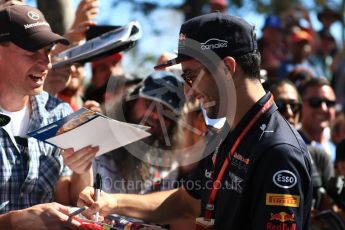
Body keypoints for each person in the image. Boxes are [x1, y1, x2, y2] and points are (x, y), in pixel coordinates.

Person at [78, 12, 312, 229]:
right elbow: (186, 203)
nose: (188, 92)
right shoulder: (227, 132)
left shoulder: (278, 152)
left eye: (190, 76)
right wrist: (112, 201)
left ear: (227, 69)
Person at [0, 3, 98, 219]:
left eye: (47, 51)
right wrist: (13, 223)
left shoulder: (58, 113)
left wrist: (82, 170)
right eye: (32, 51)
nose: (46, 63)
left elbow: (68, 198)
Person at [93, 71, 185, 194]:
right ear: (131, 102)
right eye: (149, 104)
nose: (155, 115)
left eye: (166, 112)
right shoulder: (97, 144)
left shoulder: (166, 167)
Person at [269, 80, 334, 211]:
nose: (289, 113)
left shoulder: (323, 152)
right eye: (280, 105)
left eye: (294, 105)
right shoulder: (255, 149)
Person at [298, 77, 337, 161]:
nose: (323, 108)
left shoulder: (336, 146)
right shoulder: (293, 145)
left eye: (329, 103)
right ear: (301, 105)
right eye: (315, 102)